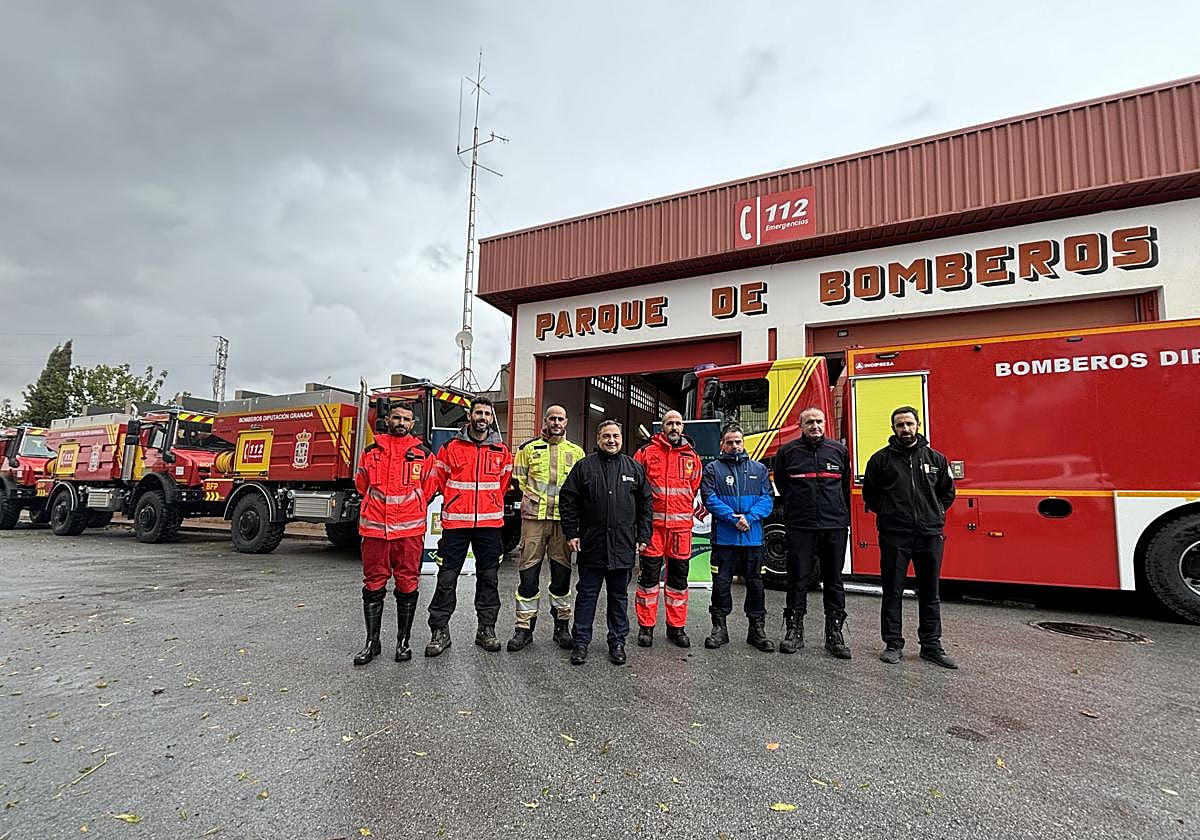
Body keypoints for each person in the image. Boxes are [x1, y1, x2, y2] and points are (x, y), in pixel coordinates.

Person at [862, 405, 958, 669]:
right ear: (893, 428)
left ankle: (931, 646)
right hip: (895, 536)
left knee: (931, 592)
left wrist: (933, 513)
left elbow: (947, 493)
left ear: (918, 425)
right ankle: (893, 644)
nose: (905, 429)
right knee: (892, 591)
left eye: (909, 424)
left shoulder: (936, 459)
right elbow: (871, 495)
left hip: (929, 534)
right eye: (900, 425)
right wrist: (892, 515)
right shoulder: (880, 460)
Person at [423, 397, 513, 657]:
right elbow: (437, 480)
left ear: (490, 418)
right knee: (446, 578)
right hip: (455, 525)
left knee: (489, 579)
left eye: (486, 413)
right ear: (470, 416)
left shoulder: (501, 450)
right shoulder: (451, 447)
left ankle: (486, 628)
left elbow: (503, 483)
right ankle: (440, 631)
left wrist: (489, 502)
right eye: (478, 413)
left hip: (489, 525)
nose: (482, 417)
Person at [559, 420, 652, 665]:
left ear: (622, 439)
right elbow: (568, 501)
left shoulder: (633, 468)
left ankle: (618, 642)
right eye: (606, 436)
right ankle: (580, 642)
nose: (611, 441)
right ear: (598, 439)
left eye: (616, 436)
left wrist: (643, 536)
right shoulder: (584, 467)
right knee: (587, 595)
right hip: (591, 544)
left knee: (618, 597)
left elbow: (646, 506)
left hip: (622, 545)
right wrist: (572, 533)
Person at [351, 401, 434, 665]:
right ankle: (372, 643)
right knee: (374, 584)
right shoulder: (370, 452)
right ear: (388, 420)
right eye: (396, 418)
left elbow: (429, 488)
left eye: (406, 419)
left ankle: (403, 642)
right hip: (375, 530)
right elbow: (362, 484)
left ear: (413, 424)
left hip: (409, 533)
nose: (401, 423)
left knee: (407, 584)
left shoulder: (424, 453)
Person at [507, 405, 585, 652]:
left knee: (561, 577)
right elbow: (519, 480)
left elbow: (581, 489)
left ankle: (561, 627)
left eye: (560, 418)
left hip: (563, 522)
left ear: (566, 422)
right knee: (528, 575)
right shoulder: (528, 450)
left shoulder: (577, 452)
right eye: (552, 418)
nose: (556, 422)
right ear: (545, 421)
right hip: (534, 520)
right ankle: (523, 628)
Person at [777, 406, 853, 659]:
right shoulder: (787, 452)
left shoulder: (839, 452)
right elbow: (782, 484)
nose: (815, 426)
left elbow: (844, 487)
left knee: (834, 580)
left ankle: (834, 634)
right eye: (809, 421)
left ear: (824, 423)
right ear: (801, 425)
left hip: (834, 526)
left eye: (819, 421)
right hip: (801, 526)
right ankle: (794, 631)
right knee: (798, 579)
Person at [699, 424, 776, 651]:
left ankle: (757, 630)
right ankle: (719, 629)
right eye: (730, 442)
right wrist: (734, 518)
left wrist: (749, 518)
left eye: (738, 442)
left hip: (753, 539)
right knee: (721, 584)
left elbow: (767, 499)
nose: (734, 446)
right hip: (725, 539)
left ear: (743, 443)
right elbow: (709, 498)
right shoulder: (713, 469)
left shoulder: (759, 469)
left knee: (755, 584)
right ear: (722, 444)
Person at [633, 410, 702, 648]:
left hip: (680, 530)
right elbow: (636, 489)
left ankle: (676, 628)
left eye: (678, 423)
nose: (674, 427)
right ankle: (646, 628)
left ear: (683, 427)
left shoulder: (692, 456)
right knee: (648, 581)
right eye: (669, 423)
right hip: (653, 529)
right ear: (662, 427)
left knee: (678, 583)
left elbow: (693, 487)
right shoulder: (645, 453)